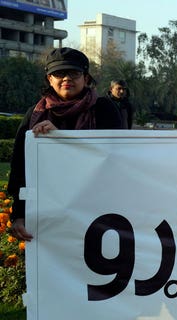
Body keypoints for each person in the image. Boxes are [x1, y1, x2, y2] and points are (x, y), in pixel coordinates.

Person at [7, 47, 123, 242]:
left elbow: (115, 157)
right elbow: (20, 167)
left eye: (74, 73)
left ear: (86, 78)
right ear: (49, 79)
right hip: (49, 212)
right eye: (59, 73)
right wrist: (19, 215)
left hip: (98, 210)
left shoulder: (104, 109)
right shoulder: (35, 115)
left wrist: (61, 139)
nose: (66, 78)